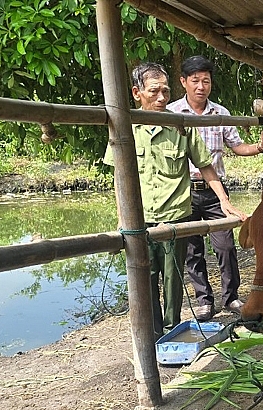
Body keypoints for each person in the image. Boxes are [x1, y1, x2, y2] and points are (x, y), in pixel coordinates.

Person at [104, 62, 246, 338]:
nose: (161, 98)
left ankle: (170, 332)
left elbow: (206, 165)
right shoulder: (125, 129)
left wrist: (224, 200)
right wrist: (122, 220)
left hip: (174, 216)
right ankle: (152, 334)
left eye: (165, 92)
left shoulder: (181, 125)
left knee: (172, 280)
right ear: (137, 93)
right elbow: (119, 179)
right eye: (154, 91)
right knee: (144, 278)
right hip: (140, 219)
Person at [167, 55, 263, 320]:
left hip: (215, 191)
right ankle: (204, 302)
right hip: (183, 190)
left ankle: (231, 297)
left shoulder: (220, 113)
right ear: (183, 82)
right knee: (192, 249)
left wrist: (258, 147)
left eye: (206, 81)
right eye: (195, 81)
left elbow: (236, 145)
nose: (201, 86)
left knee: (225, 246)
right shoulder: (172, 113)